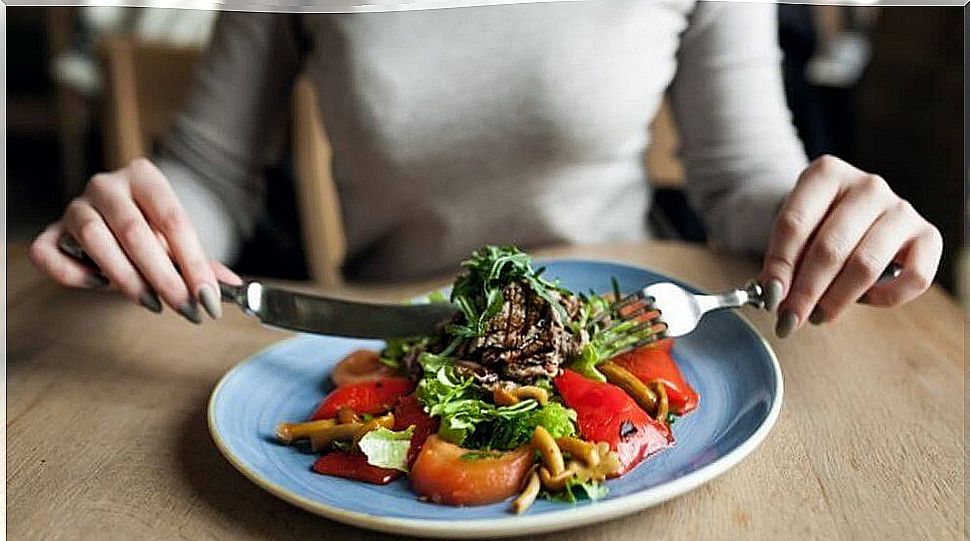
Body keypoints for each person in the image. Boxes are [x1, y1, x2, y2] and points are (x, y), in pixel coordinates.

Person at [28, 2, 943, 339]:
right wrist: (144, 222)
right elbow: (212, 174)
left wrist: (831, 219)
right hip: (391, 339)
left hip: (623, 330)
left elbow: (745, 178)